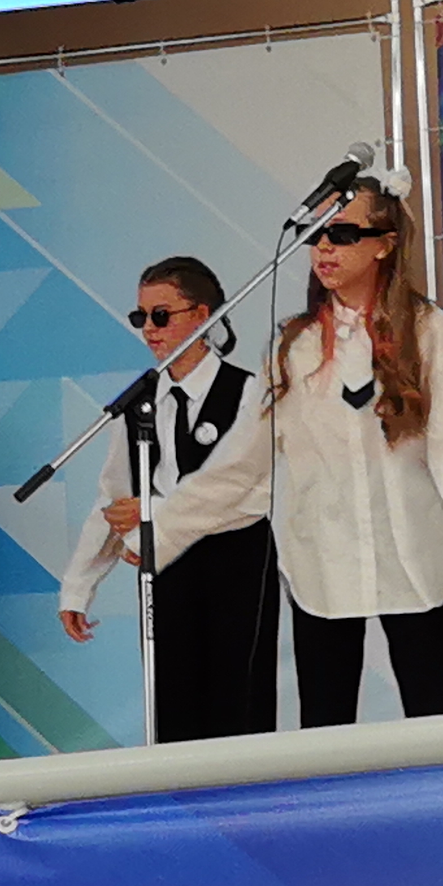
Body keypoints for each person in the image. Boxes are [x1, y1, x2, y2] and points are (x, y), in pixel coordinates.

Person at [209, 187, 443, 726]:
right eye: (315, 234)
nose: (324, 247)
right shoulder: (294, 345)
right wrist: (160, 528)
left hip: (416, 555)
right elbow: (244, 465)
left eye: (343, 233)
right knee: (325, 727)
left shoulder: (427, 330)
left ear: (384, 245)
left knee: (434, 718)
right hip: (323, 561)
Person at [58, 256, 286, 741]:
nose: (149, 329)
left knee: (239, 700)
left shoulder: (250, 391)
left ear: (201, 316)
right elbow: (114, 499)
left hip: (237, 563)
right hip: (165, 565)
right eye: (141, 317)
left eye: (161, 315)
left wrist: (156, 509)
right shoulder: (137, 403)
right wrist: (79, 585)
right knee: (173, 703)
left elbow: (255, 493)